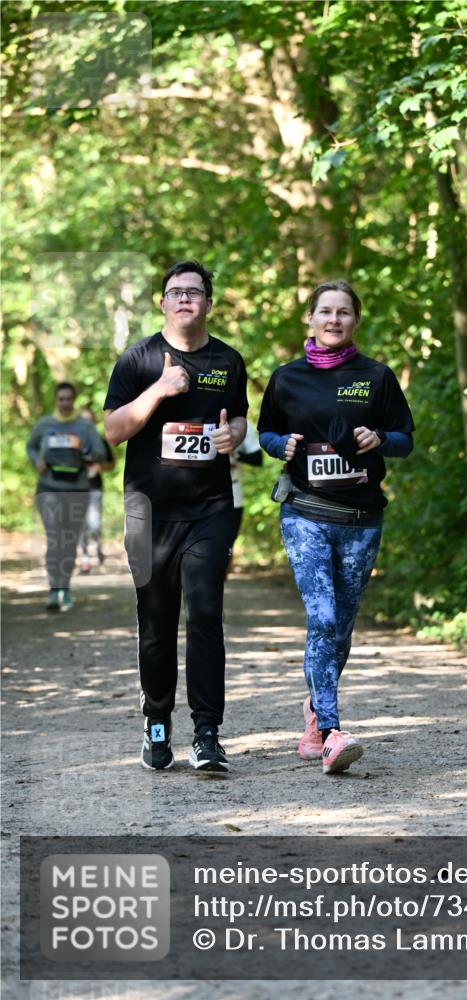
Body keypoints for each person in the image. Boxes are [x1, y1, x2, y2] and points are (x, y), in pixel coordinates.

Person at [258, 280, 414, 775]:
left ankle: (313, 711)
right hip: (305, 512)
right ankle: (330, 731)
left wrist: (380, 438)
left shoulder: (376, 376)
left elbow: (405, 439)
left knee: (341, 628)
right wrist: (278, 444)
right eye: (324, 311)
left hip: (361, 519)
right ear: (310, 318)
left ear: (355, 321)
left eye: (343, 312)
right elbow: (265, 430)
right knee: (322, 618)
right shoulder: (286, 378)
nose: (333, 319)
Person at [103, 260, 248, 773]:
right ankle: (157, 722)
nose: (185, 299)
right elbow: (113, 431)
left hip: (208, 509)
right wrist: (160, 390)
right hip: (148, 512)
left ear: (209, 302)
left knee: (205, 612)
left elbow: (239, 423)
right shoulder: (138, 360)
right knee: (157, 618)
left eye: (195, 292)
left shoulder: (229, 361)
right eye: (175, 292)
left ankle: (207, 733)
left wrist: (236, 437)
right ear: (161, 303)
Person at [27, 382, 107, 611]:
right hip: (48, 488)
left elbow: (100, 452)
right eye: (61, 399)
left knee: (69, 540)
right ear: (56, 400)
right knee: (54, 537)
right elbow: (31, 446)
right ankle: (54, 590)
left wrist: (84, 449)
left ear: (74, 400)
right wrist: (37, 462)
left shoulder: (84, 426)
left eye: (68, 399)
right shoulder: (45, 424)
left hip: (77, 489)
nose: (65, 403)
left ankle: (66, 588)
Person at [78, 406, 115, 573]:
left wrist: (101, 467)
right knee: (80, 524)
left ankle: (97, 547)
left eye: (89, 420)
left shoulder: (100, 441)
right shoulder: (73, 441)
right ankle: (85, 556)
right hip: (76, 488)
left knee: (94, 524)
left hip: (95, 488)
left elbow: (111, 463)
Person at [227, 420, 263, 577]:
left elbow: (258, 458)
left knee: (228, 539)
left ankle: (223, 572)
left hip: (233, 492)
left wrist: (235, 453)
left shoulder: (242, 425)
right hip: (197, 493)